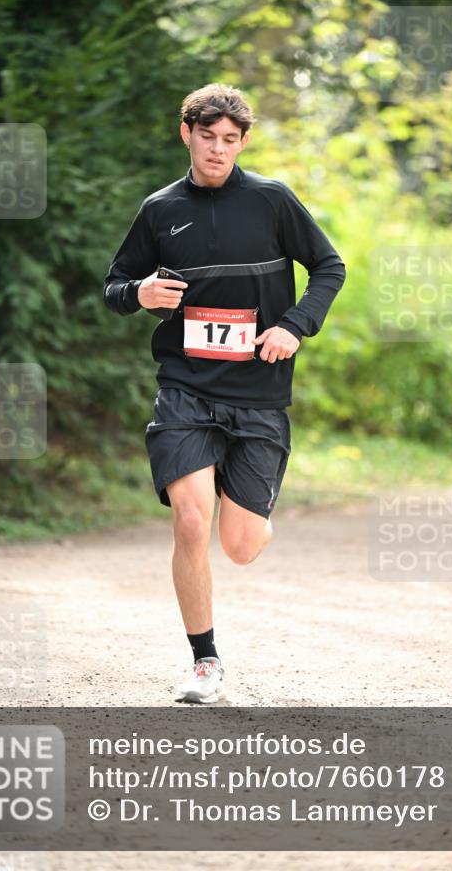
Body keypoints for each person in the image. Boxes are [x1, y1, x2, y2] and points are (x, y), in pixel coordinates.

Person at [103, 83, 346, 704]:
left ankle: (248, 506)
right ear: (186, 134)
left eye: (229, 140)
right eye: (206, 137)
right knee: (190, 520)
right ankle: (205, 662)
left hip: (258, 393)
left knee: (239, 546)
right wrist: (140, 295)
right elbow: (116, 284)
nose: (217, 150)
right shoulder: (160, 209)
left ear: (243, 142)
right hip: (185, 386)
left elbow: (329, 267)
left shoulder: (270, 201)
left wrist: (294, 326)